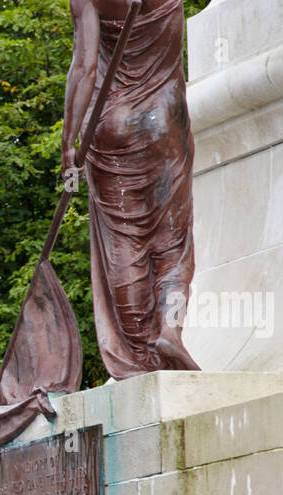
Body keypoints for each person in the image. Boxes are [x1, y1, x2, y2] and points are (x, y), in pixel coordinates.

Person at [62, 0, 199, 377]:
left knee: (126, 243)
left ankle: (140, 355)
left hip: (109, 126)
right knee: (173, 245)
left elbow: (86, 67)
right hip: (164, 122)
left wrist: (68, 143)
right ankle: (170, 329)